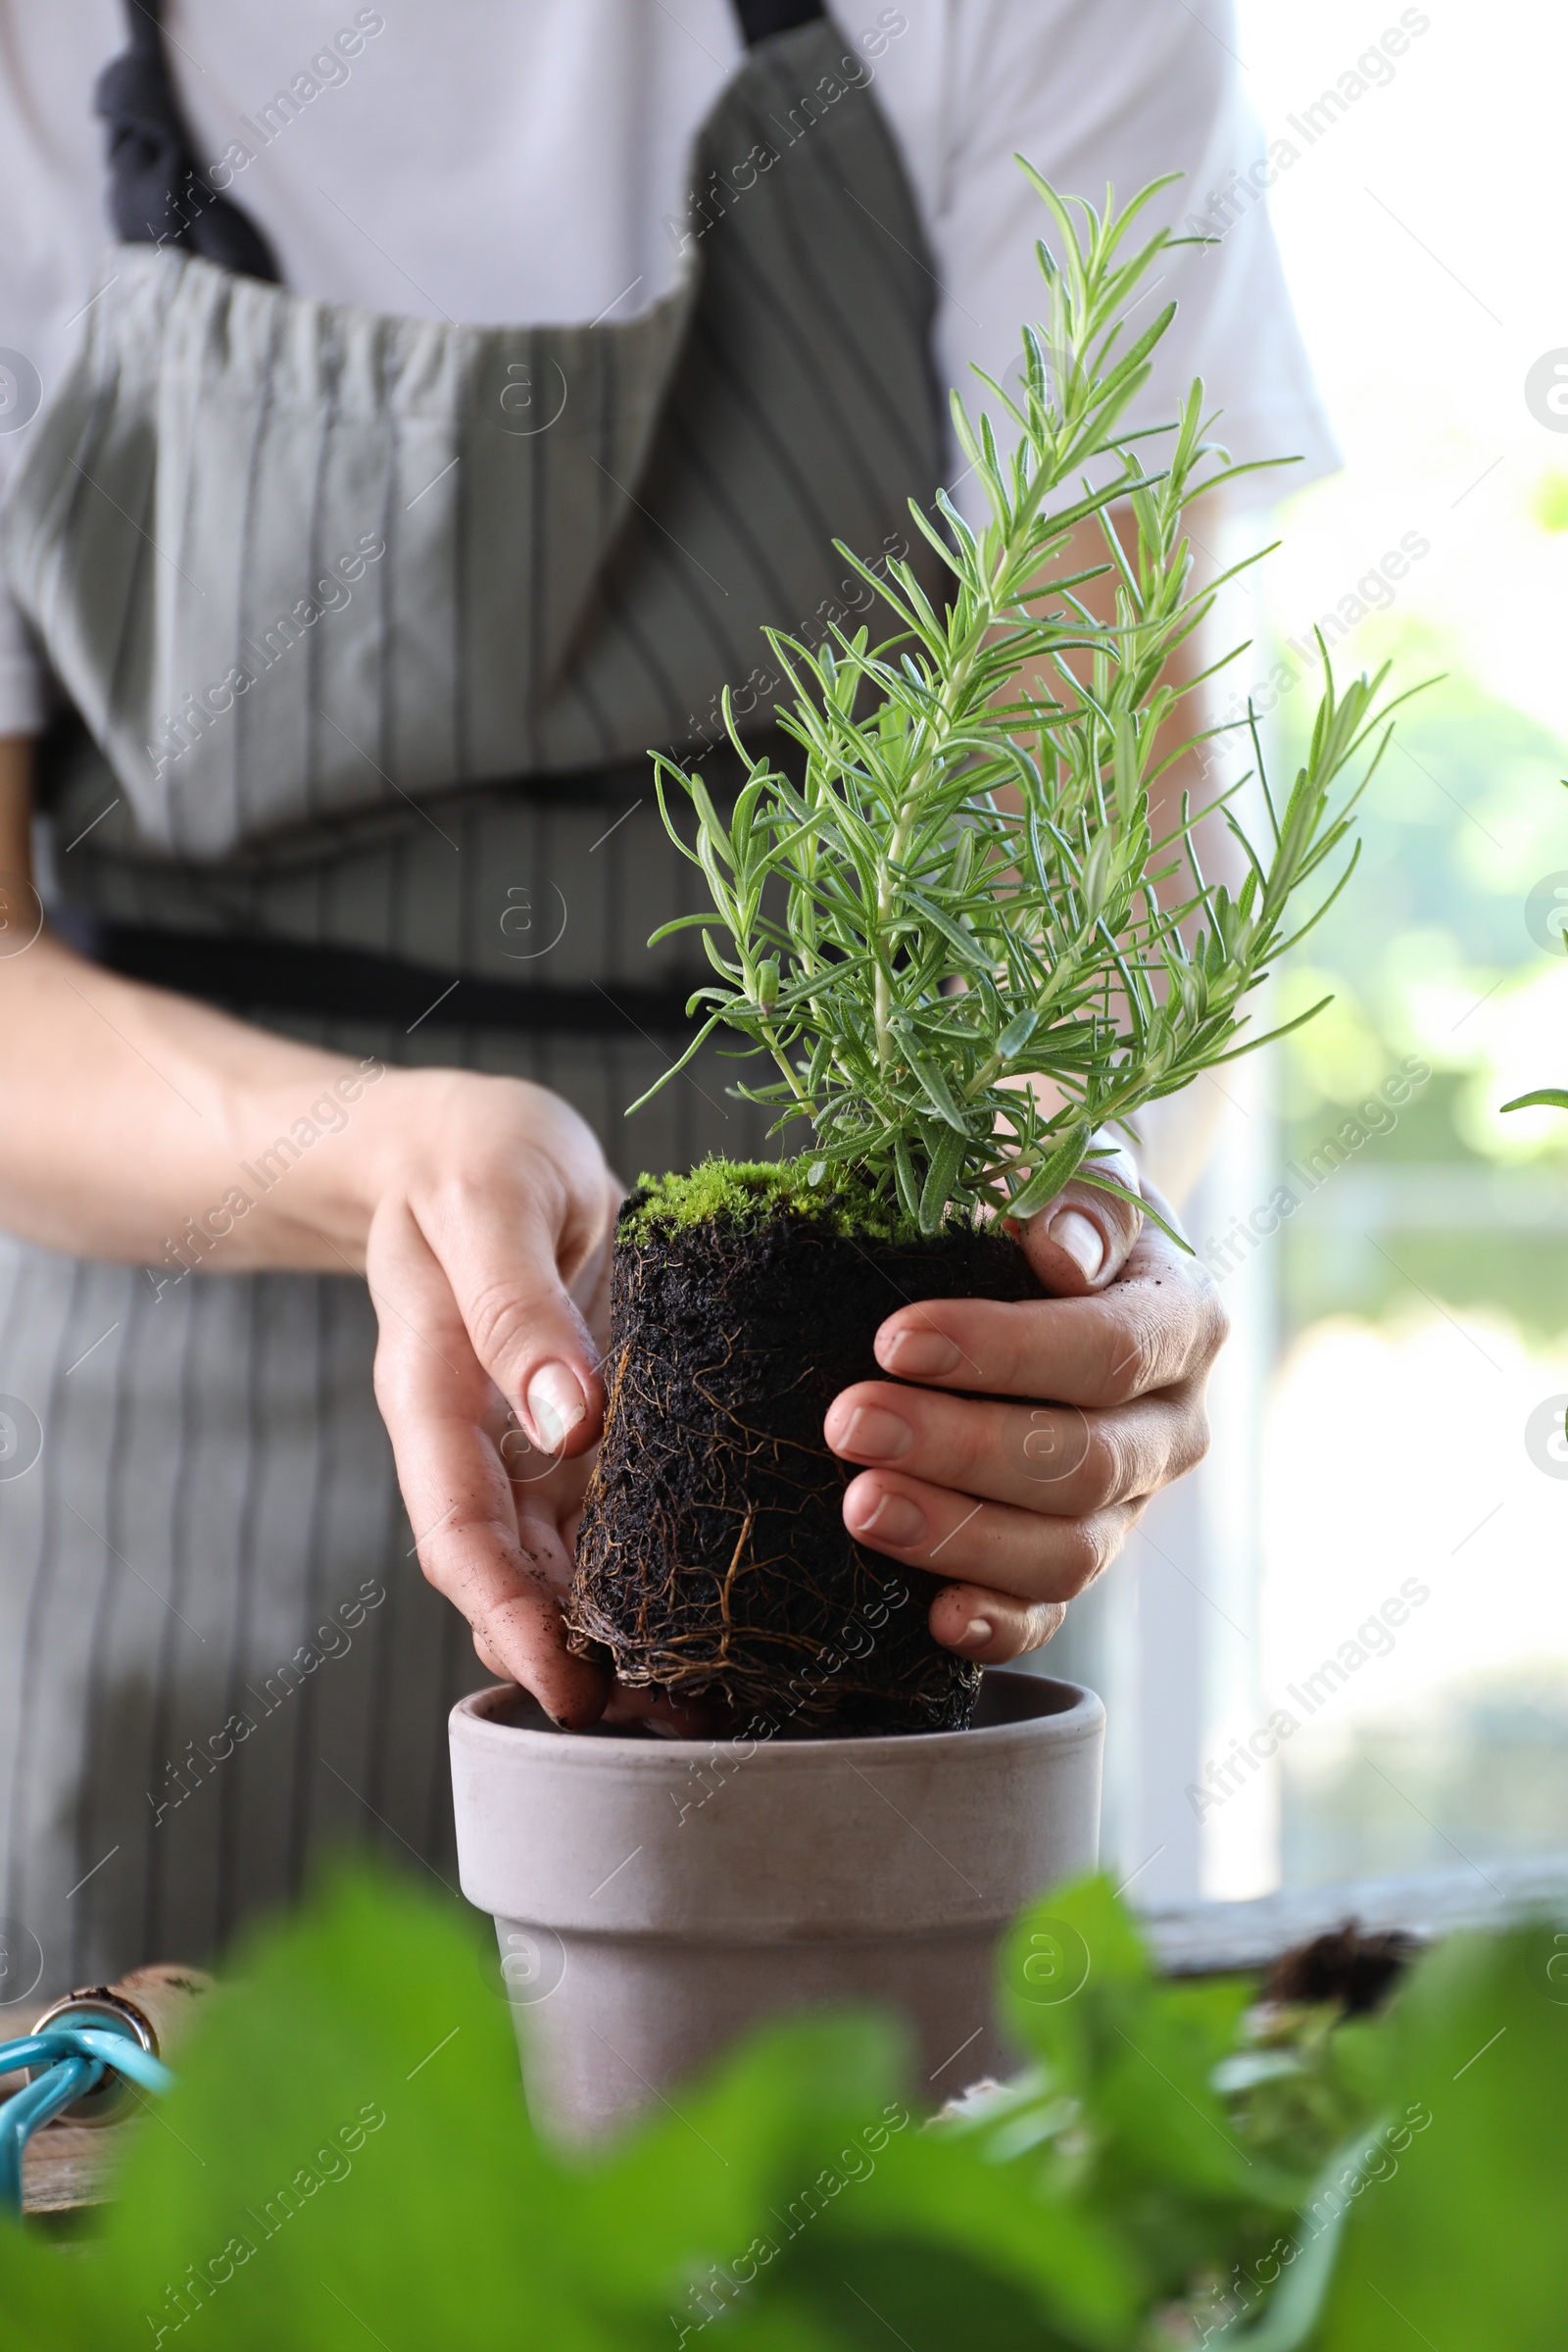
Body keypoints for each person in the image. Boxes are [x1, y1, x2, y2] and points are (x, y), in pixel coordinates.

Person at [0, 0, 1332, 1998]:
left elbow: (1110, 831)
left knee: (852, 2250)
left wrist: (1075, 1182)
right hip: (168, 1450)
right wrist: (378, 1152)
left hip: (867, 1452)